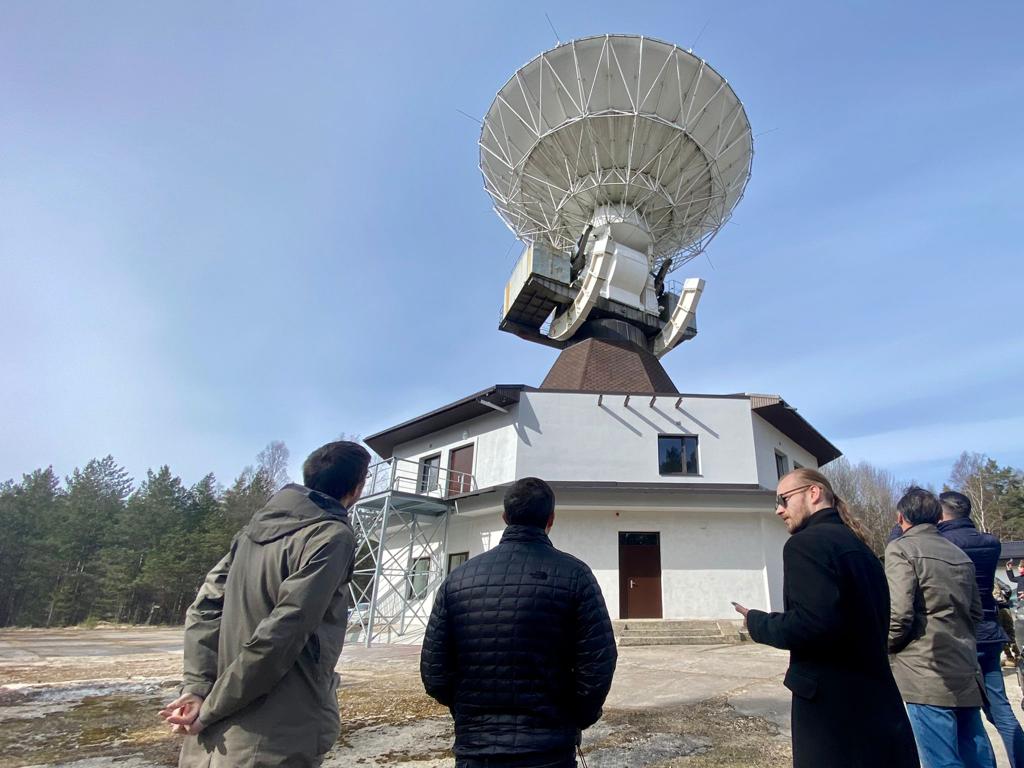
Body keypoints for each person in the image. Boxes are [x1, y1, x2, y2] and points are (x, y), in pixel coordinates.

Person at [159, 440, 370, 768]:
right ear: (357, 489)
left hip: (215, 739)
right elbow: (283, 632)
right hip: (274, 733)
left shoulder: (250, 534)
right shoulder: (331, 536)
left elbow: (204, 609)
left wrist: (198, 688)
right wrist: (211, 707)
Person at [420, 477, 617, 768]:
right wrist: (577, 717)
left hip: (476, 752)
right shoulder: (576, 575)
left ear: (505, 517)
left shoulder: (458, 579)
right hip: (549, 751)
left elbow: (434, 672)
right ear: (551, 519)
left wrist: (469, 714)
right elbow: (599, 663)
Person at [732, 468, 918, 768]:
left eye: (783, 499)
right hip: (877, 705)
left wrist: (757, 622)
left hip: (832, 715)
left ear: (813, 493)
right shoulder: (861, 547)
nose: (779, 510)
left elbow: (813, 624)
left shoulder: (806, 544)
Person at [886, 487, 996, 768]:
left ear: (901, 518)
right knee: (976, 755)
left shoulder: (901, 549)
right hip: (964, 666)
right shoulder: (959, 554)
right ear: (938, 518)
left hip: (924, 669)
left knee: (942, 760)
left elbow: (899, 614)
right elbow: (975, 612)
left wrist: (884, 646)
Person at [938, 490, 1024, 766]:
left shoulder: (942, 544)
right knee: (1001, 709)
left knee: (967, 714)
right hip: (989, 628)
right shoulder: (991, 543)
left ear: (942, 515)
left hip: (959, 634)